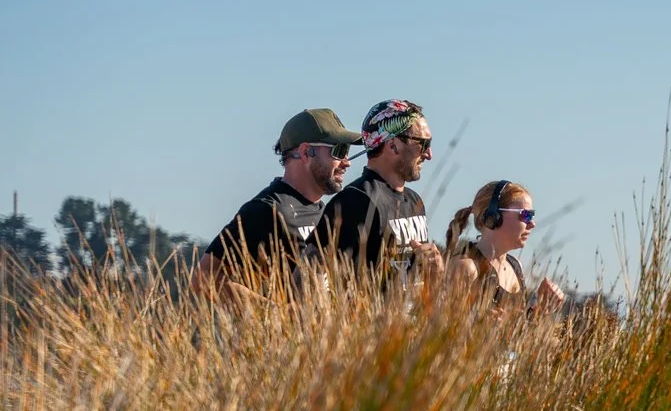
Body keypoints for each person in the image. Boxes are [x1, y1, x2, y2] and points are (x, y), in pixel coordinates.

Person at [202, 108, 360, 277]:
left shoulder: (324, 213)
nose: (347, 162)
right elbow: (203, 278)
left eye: (347, 151)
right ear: (306, 152)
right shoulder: (265, 211)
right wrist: (278, 305)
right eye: (339, 151)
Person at [319, 100, 444, 280]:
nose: (428, 154)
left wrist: (436, 273)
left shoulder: (414, 200)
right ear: (393, 145)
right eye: (423, 143)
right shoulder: (356, 201)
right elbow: (312, 276)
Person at [444, 180, 566, 311]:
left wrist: (541, 309)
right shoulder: (466, 268)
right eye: (525, 215)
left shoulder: (515, 265)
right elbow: (443, 324)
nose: (532, 223)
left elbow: (516, 328)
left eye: (531, 215)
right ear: (493, 216)